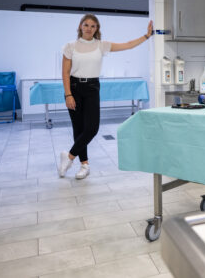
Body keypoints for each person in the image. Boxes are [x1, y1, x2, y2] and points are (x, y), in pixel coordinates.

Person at [58, 14, 153, 179]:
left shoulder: (101, 45)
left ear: (97, 29)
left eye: (93, 26)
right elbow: (65, 73)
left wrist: (146, 36)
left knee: (92, 128)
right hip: (74, 87)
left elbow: (128, 45)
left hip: (92, 87)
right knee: (78, 129)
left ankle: (69, 157)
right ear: (80, 26)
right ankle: (84, 165)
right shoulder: (70, 46)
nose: (89, 28)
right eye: (86, 25)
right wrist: (68, 94)